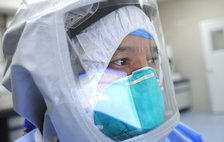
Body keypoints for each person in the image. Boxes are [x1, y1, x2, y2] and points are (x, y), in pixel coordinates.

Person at [1, 0, 203, 141]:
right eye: (122, 61)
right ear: (60, 79)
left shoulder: (182, 137)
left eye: (152, 60)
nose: (147, 78)